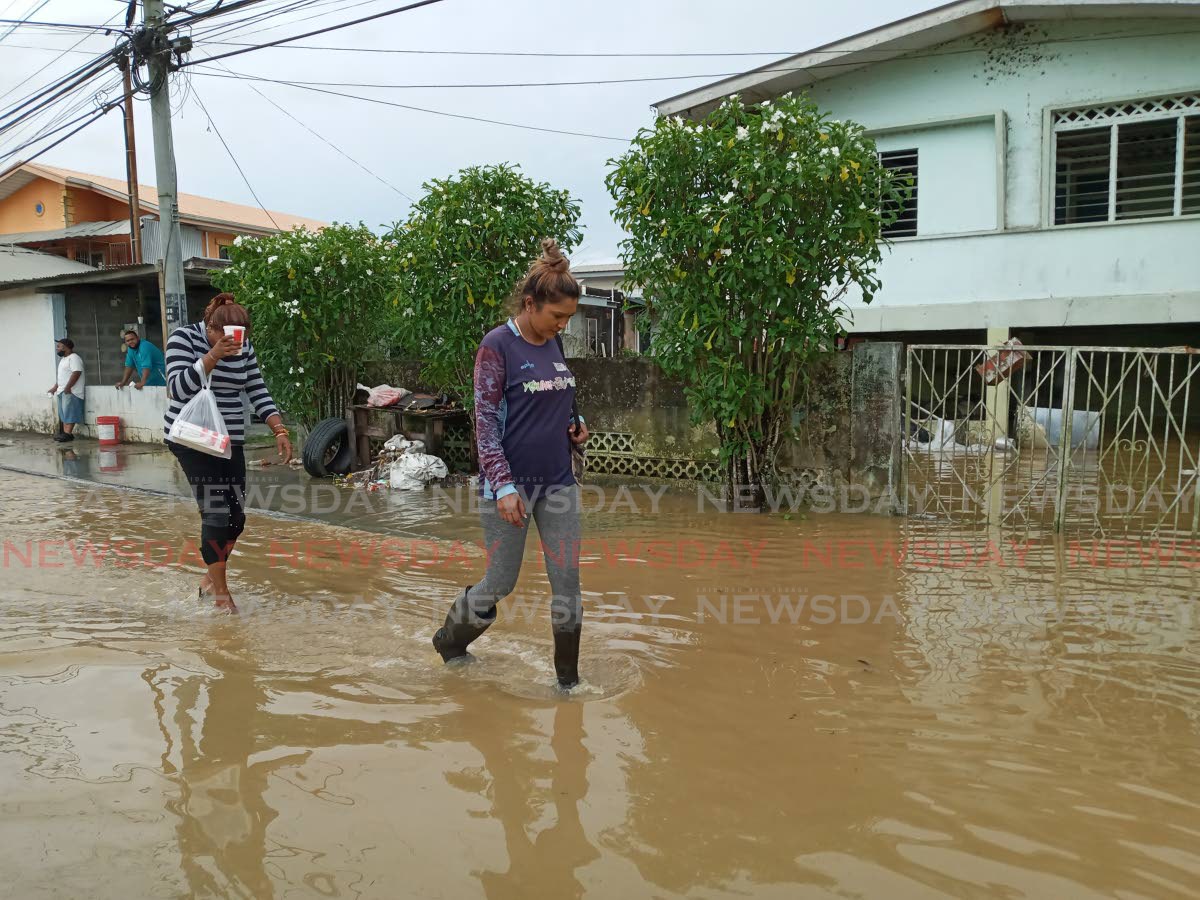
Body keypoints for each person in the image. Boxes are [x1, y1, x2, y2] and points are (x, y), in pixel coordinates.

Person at [431, 239, 590, 689]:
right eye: (556, 316)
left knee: (568, 584)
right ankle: (450, 641)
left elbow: (553, 397)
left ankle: (568, 684)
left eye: (568, 319)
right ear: (529, 303)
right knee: (501, 582)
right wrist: (501, 485)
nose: (562, 326)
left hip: (558, 481)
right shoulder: (497, 346)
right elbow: (484, 420)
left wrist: (576, 424)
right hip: (511, 487)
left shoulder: (552, 343)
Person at [165, 293, 292, 612]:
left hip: (228, 439)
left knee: (236, 518)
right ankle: (222, 594)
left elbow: (257, 389)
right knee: (216, 512)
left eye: (240, 335)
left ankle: (209, 577)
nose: (234, 341)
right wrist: (212, 356)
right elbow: (177, 388)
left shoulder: (243, 347)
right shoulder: (183, 338)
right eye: (224, 334)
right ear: (210, 327)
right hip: (191, 438)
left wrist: (278, 428)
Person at [47, 338, 85, 442]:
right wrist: (55, 388)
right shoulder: (63, 359)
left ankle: (68, 433)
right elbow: (61, 377)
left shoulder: (74, 358)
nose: (57, 348)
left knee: (69, 413)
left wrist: (68, 387)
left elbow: (76, 372)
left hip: (71, 391)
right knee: (63, 414)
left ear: (66, 347)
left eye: (59, 346)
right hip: (62, 391)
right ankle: (65, 434)